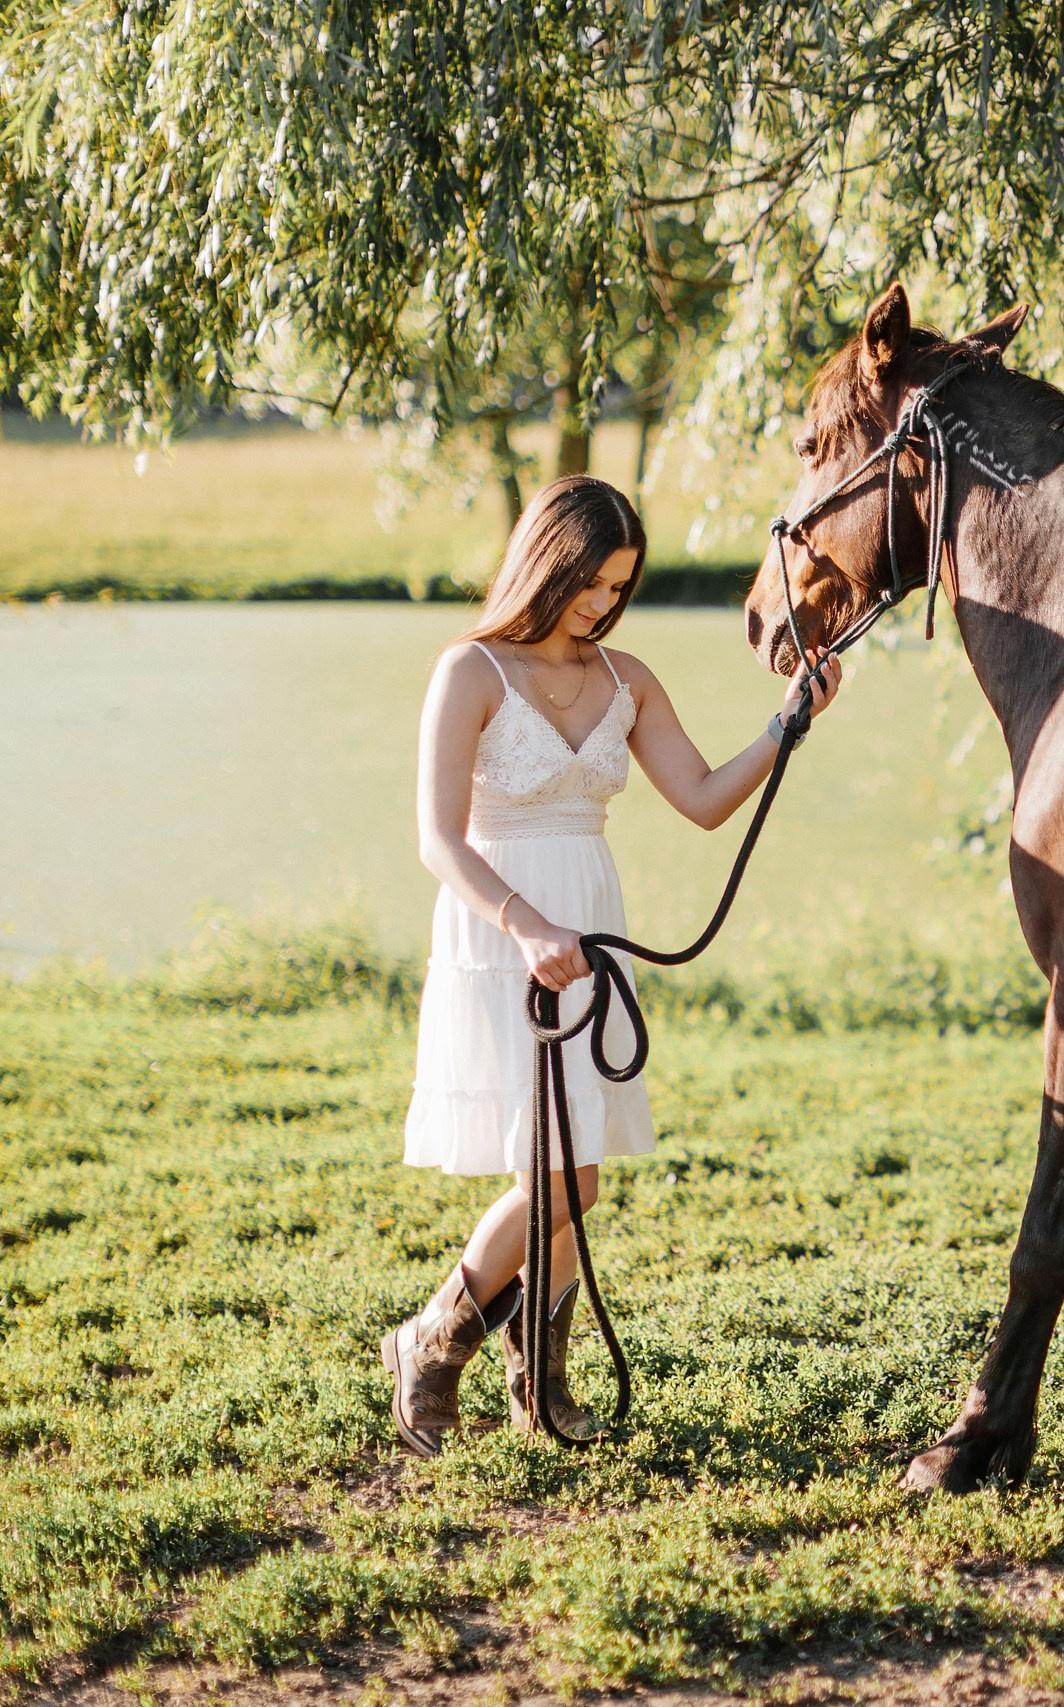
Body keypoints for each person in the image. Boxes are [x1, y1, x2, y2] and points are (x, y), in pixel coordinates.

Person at [381, 474, 841, 1455]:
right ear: (547, 561)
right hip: (501, 930)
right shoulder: (469, 671)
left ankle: (535, 1386)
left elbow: (706, 796)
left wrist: (786, 724)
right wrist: (522, 924)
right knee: (563, 1179)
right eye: (589, 581)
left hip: (587, 929)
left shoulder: (625, 678)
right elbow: (435, 838)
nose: (600, 603)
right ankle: (434, 1339)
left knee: (563, 1170)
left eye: (619, 587)